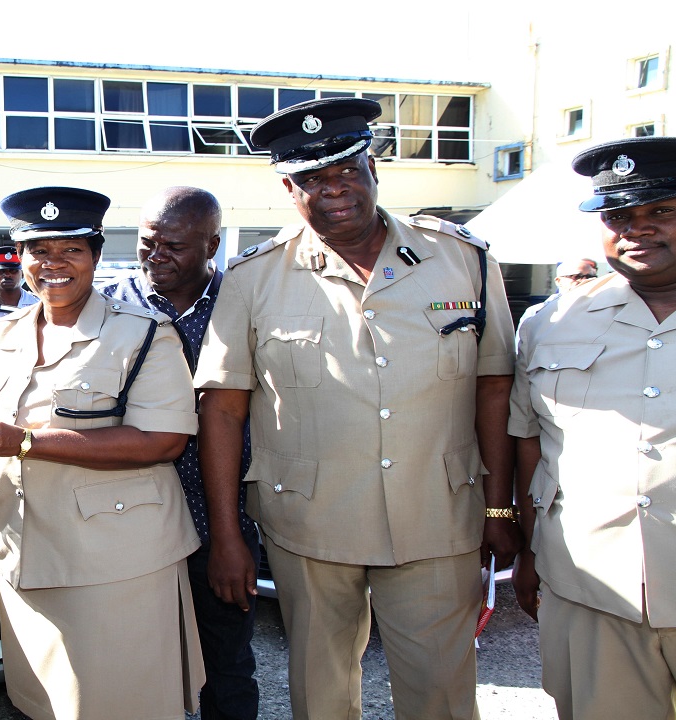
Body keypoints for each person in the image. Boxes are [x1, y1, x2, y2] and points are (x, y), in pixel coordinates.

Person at [195, 97, 520, 720]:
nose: (334, 191)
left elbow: (494, 389)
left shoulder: (462, 259)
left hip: (438, 515)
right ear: (289, 188)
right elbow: (223, 411)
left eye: (347, 171)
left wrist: (500, 506)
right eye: (313, 180)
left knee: (442, 693)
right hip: (310, 525)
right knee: (321, 691)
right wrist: (228, 536)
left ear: (375, 169)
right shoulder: (251, 279)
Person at [0, 186, 204, 720]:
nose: (53, 265)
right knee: (46, 704)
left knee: (121, 705)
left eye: (70, 250)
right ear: (20, 259)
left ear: (95, 254)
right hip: (23, 553)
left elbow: (162, 441)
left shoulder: (142, 335)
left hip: (115, 562)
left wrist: (25, 441)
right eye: (38, 251)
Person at [509, 136, 676, 720]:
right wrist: (530, 551)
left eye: (662, 211)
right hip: (592, 588)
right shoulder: (551, 322)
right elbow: (530, 445)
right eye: (619, 216)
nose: (638, 230)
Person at [100, 186, 261, 720]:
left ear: (212, 245)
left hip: (219, 519)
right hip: (129, 523)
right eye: (148, 242)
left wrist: (230, 539)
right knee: (134, 665)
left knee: (226, 665)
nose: (156, 256)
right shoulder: (109, 306)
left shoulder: (244, 304)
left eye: (174, 246)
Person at [517, 257, 600, 326]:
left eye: (590, 277)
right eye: (577, 276)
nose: (584, 280)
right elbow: (522, 344)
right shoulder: (536, 312)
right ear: (558, 281)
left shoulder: (603, 311)